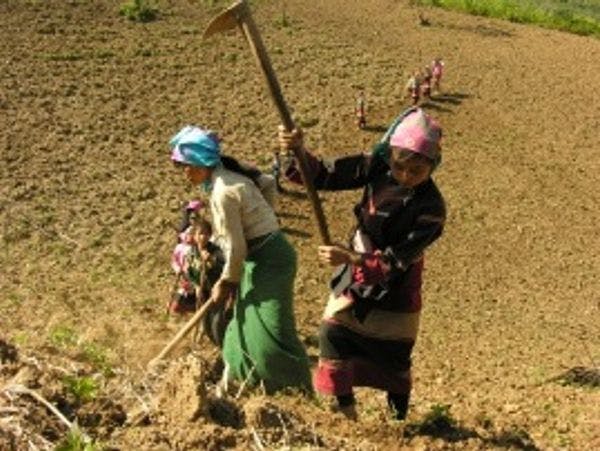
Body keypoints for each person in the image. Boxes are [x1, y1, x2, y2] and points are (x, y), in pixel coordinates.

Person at [278, 107, 446, 420]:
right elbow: (323, 174)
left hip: (397, 286)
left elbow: (398, 259)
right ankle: (348, 417)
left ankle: (398, 424)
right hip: (355, 273)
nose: (407, 177)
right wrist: (295, 150)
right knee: (333, 334)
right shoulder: (375, 166)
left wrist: (351, 258)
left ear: (432, 166)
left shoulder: (432, 209)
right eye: (400, 168)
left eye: (418, 171)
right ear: (389, 157)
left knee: (394, 358)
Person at [169, 125, 312, 394]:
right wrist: (263, 217)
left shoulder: (223, 191)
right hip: (255, 259)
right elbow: (269, 184)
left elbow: (236, 247)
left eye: (188, 166)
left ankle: (299, 391)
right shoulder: (226, 178)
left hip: (272, 261)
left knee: (274, 333)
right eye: (182, 167)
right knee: (240, 325)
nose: (185, 173)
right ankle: (234, 384)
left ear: (202, 162)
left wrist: (226, 282)